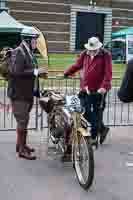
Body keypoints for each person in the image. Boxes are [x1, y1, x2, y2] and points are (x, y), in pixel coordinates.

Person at [64, 37, 112, 145]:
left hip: (99, 91)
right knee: (83, 110)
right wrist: (66, 73)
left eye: (94, 50)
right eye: (90, 49)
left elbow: (108, 73)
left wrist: (104, 87)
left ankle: (94, 137)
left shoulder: (105, 55)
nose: (91, 52)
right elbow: (77, 65)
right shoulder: (85, 53)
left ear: (99, 47)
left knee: (97, 112)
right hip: (85, 89)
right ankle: (102, 129)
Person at [7, 27, 47, 160]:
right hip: (19, 95)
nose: (36, 42)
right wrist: (36, 72)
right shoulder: (19, 52)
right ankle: (22, 150)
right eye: (35, 39)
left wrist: (38, 72)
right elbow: (15, 72)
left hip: (26, 94)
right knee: (22, 122)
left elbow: (26, 69)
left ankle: (21, 145)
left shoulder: (27, 51)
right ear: (28, 39)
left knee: (23, 121)